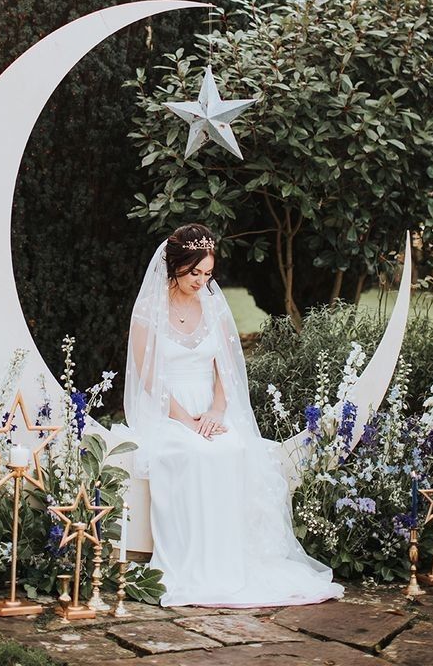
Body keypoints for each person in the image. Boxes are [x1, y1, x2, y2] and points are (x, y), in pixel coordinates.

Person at [124, 222, 344, 608]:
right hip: (167, 409)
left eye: (208, 273)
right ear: (175, 265)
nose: (201, 281)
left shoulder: (210, 304)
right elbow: (148, 378)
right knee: (193, 454)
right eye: (194, 272)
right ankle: (196, 565)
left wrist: (216, 410)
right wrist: (185, 419)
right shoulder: (149, 310)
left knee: (233, 449)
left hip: (209, 408)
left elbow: (225, 368)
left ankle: (230, 563)